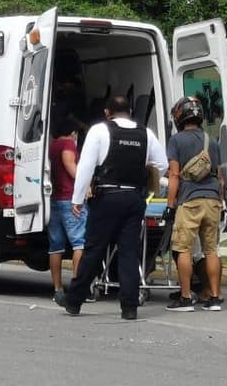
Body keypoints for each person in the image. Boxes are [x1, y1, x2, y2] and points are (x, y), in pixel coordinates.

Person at [63, 95, 167, 320]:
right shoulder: (145, 133)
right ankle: (129, 307)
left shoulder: (99, 131)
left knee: (94, 250)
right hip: (134, 199)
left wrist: (77, 199)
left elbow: (86, 167)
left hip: (107, 197)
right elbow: (163, 164)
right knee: (129, 252)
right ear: (129, 111)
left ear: (107, 112)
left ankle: (74, 300)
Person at [164, 97, 225, 312]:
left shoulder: (176, 141)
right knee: (211, 251)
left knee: (183, 250)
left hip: (189, 201)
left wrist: (170, 205)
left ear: (180, 115)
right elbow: (220, 177)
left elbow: (174, 175)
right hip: (213, 201)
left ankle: (186, 297)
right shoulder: (212, 140)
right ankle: (215, 297)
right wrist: (221, 202)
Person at [47, 116, 85, 307]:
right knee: (80, 243)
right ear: (73, 132)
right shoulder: (69, 143)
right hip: (70, 198)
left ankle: (57, 288)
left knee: (56, 246)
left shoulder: (52, 145)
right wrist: (85, 184)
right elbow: (71, 166)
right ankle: (78, 288)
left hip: (54, 198)